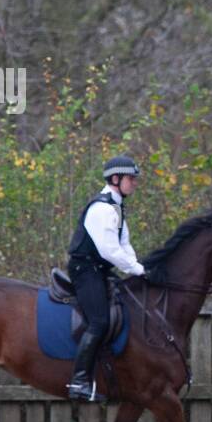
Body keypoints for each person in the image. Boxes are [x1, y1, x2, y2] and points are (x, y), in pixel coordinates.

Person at [65, 155, 147, 402]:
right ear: (115, 179)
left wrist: (138, 268)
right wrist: (137, 270)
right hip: (85, 270)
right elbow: (110, 251)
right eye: (131, 178)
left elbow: (125, 245)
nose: (134, 183)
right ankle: (78, 381)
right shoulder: (102, 209)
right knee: (99, 321)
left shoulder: (117, 208)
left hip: (98, 269)